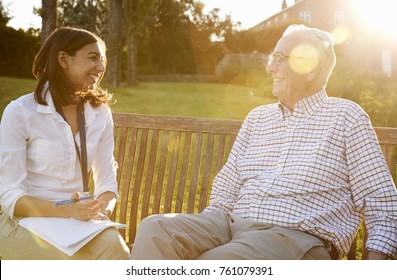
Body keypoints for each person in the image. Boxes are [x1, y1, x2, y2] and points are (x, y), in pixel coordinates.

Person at [130, 24, 397, 260]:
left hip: (294, 237)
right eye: (272, 57)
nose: (270, 67)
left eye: (280, 59)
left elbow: (381, 201)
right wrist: (208, 229)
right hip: (231, 224)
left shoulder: (346, 117)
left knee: (214, 263)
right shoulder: (258, 118)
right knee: (156, 230)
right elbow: (227, 187)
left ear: (311, 66)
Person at [0, 27, 130, 259]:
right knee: (83, 264)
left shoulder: (100, 114)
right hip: (23, 223)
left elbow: (107, 181)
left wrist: (101, 210)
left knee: (117, 251)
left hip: (77, 223)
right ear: (63, 59)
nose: (101, 68)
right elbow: (10, 196)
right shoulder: (20, 112)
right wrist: (66, 210)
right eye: (93, 58)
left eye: (102, 59)